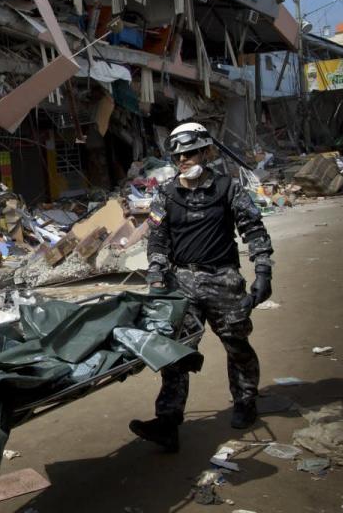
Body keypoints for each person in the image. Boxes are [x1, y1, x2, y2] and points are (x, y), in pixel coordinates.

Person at [130, 122, 273, 452]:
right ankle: (167, 422)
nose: (184, 160)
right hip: (182, 284)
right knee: (176, 354)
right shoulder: (165, 194)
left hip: (224, 281)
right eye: (179, 156)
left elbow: (253, 230)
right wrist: (155, 275)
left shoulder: (228, 188)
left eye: (191, 153)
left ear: (207, 152)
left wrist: (263, 271)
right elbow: (158, 240)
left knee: (237, 346)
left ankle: (245, 401)